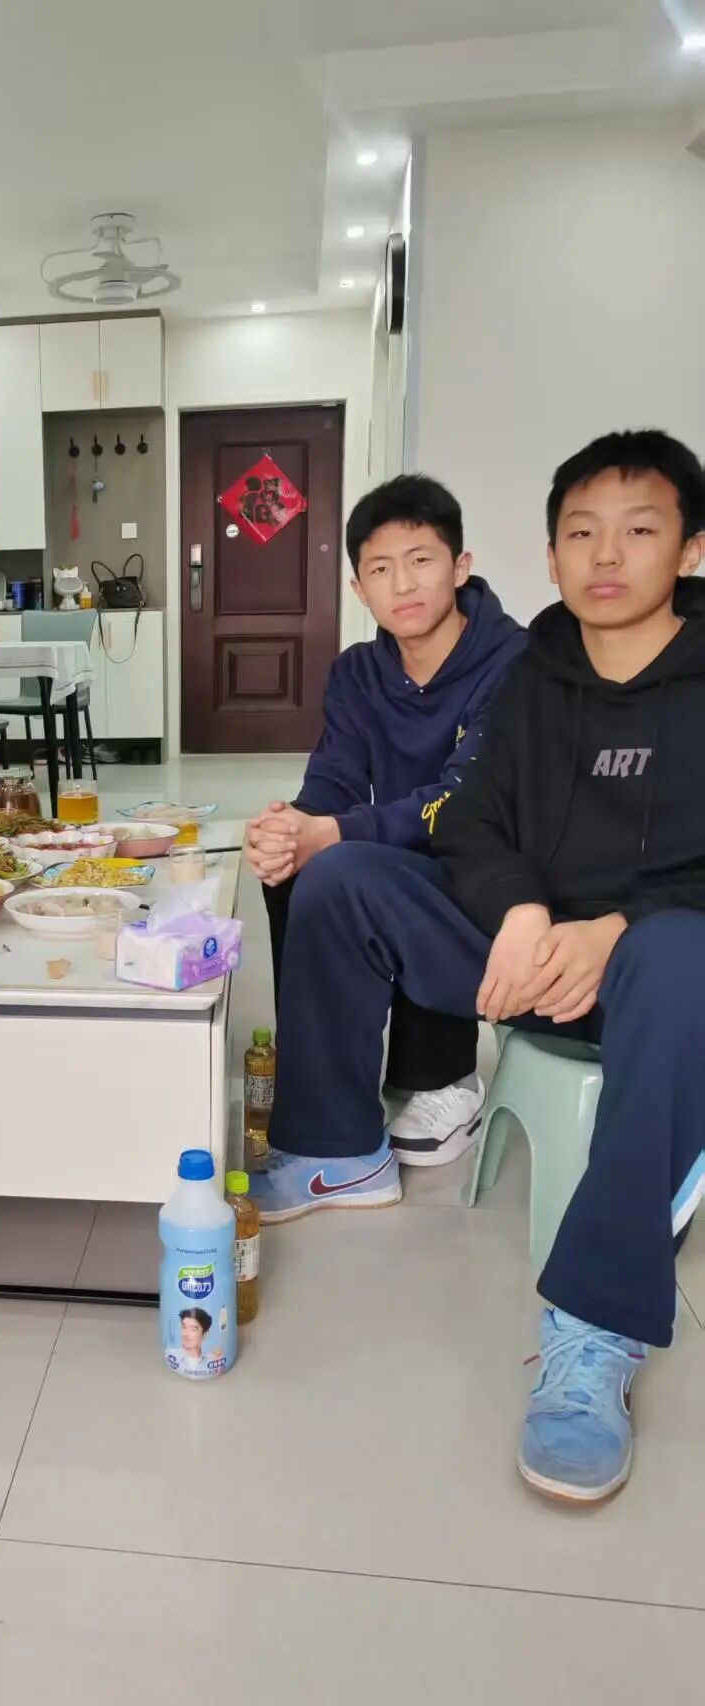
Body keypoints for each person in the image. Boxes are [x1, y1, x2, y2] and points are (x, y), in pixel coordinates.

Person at [262, 429, 705, 1504]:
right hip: (523, 950)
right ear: (549, 555)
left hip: (658, 964)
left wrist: (613, 929)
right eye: (580, 533)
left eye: (638, 530)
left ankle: (594, 1329)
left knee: (675, 956)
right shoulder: (536, 675)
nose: (606, 555)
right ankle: (336, 1149)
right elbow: (472, 817)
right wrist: (521, 910)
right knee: (342, 878)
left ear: (690, 548)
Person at [246, 475, 523, 1181]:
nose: (402, 583)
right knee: (298, 867)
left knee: (357, 863)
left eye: (421, 559)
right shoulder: (358, 672)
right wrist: (290, 830)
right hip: (406, 866)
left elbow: (464, 801)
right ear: (357, 587)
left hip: (502, 884)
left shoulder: (517, 662)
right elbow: (333, 782)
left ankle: (444, 1078)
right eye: (379, 568)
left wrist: (334, 835)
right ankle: (325, 1094)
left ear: (460, 566)